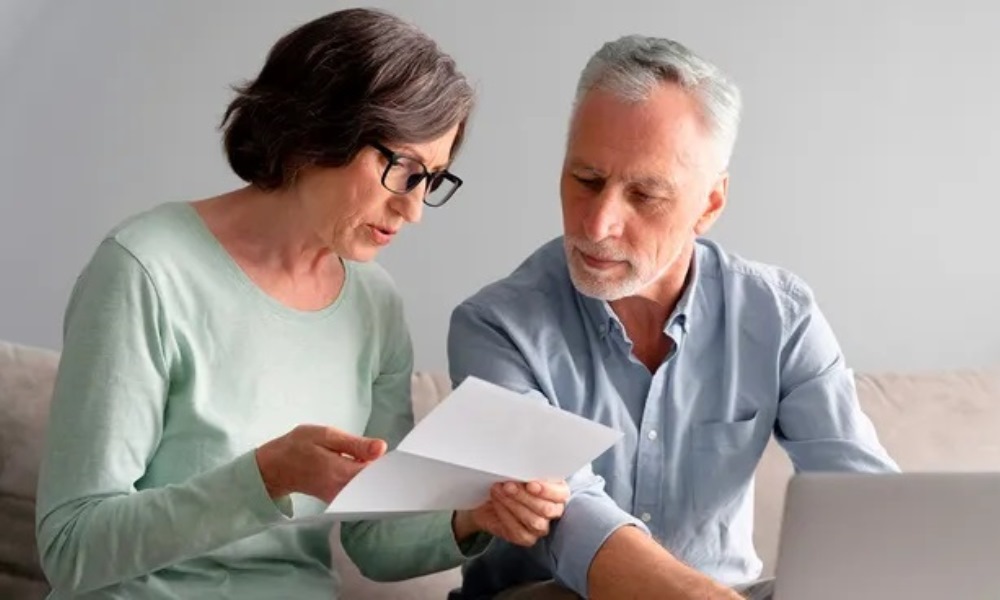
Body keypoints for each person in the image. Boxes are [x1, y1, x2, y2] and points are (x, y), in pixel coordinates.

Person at [35, 8, 569, 599]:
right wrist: (266, 478)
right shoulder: (144, 270)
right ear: (317, 129)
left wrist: (472, 518)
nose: (413, 209)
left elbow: (374, 538)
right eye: (402, 169)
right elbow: (71, 547)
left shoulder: (374, 305)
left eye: (433, 180)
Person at [447, 35, 898, 599]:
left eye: (645, 194)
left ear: (710, 204)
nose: (598, 223)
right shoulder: (494, 328)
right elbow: (570, 515)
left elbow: (866, 501)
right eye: (585, 180)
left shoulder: (780, 316)